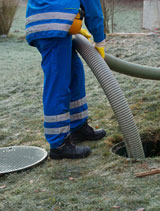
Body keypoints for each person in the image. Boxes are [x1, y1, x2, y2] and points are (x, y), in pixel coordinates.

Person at [25, 0, 106, 159]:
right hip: (53, 26)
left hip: (49, 21)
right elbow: (92, 8)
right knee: (58, 84)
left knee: (75, 72)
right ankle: (59, 144)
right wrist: (100, 40)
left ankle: (78, 127)